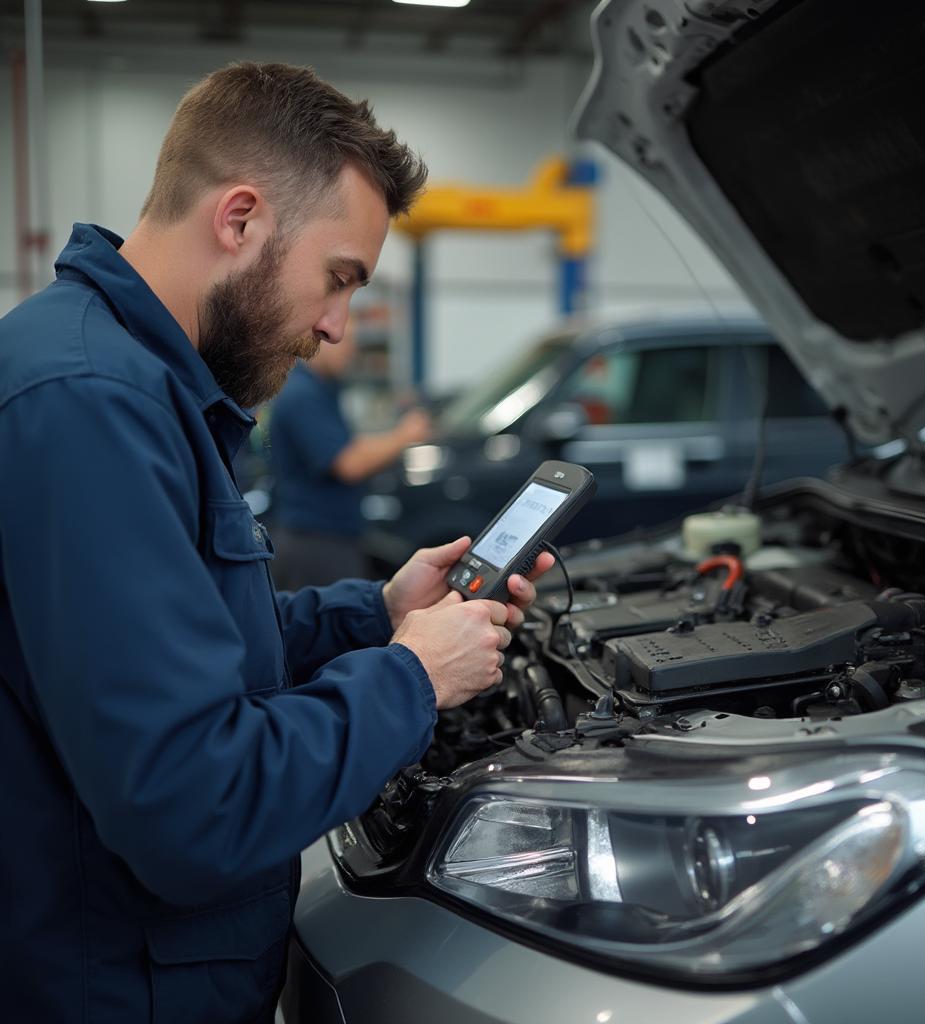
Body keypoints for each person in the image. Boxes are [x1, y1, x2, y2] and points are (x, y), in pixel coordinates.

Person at [0, 62, 554, 1024]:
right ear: (242, 218)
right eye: (339, 278)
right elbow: (195, 805)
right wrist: (411, 680)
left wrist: (378, 615)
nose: (337, 328)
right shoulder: (94, 404)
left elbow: (195, 641)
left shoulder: (130, 383)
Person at [269, 316, 431, 586]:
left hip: (328, 538)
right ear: (319, 336)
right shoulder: (303, 394)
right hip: (316, 544)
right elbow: (348, 462)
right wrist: (405, 434)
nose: (350, 349)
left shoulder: (322, 389)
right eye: (345, 340)